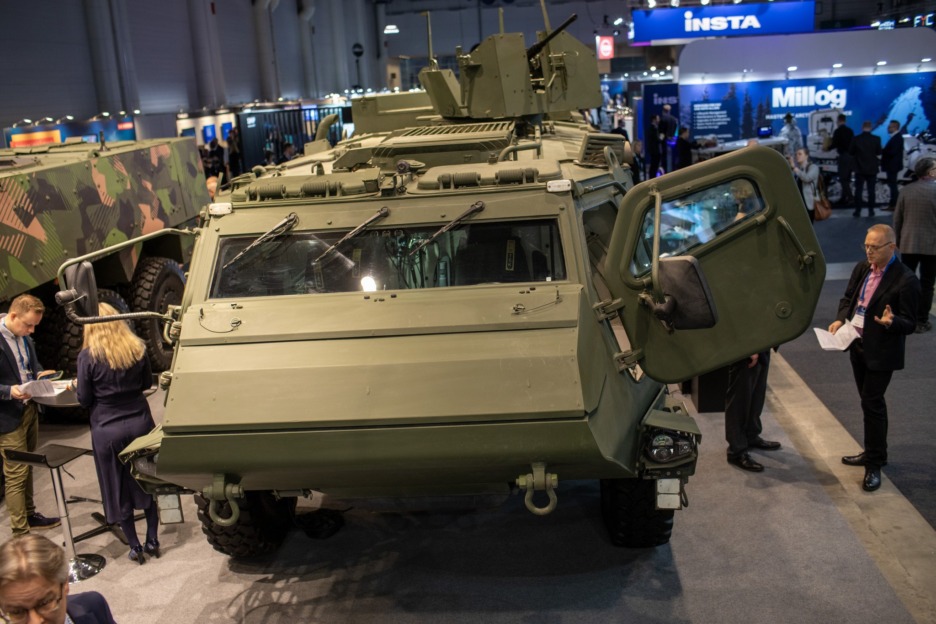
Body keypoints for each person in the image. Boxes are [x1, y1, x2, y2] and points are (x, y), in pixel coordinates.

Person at [828, 224, 920, 492]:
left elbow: (911, 323)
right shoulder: (862, 268)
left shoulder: (906, 280)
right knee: (868, 403)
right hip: (856, 344)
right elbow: (849, 299)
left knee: (872, 403)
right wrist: (840, 318)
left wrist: (892, 322)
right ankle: (874, 452)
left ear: (892, 247)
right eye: (866, 246)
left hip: (882, 351)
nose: (869, 251)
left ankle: (875, 463)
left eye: (874, 247)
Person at [75, 303, 160, 564]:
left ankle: (134, 546)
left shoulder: (87, 357)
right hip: (140, 423)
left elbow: (84, 399)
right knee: (146, 480)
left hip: (107, 428)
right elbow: (147, 383)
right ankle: (153, 539)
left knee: (117, 486)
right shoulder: (137, 348)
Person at [0, 295, 60, 536]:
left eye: (34, 326)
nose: (31, 330)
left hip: (28, 410)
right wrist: (8, 391)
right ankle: (20, 533)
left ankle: (31, 514)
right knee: (16, 473)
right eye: (28, 325)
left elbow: (29, 367)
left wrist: (40, 375)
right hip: (7, 417)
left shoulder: (24, 337)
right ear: (13, 315)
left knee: (29, 465)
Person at [0, 533, 117, 624]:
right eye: (17, 612)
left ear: (65, 584)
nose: (35, 622)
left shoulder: (93, 604)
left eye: (44, 603)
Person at [893, 157, 936, 333]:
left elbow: (897, 219)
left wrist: (897, 240)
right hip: (932, 245)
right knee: (927, 283)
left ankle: (905, 317)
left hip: (908, 243)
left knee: (906, 281)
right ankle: (921, 320)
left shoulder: (906, 191)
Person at [724, 349, 781, 473]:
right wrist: (750, 349)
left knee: (757, 396)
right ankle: (737, 451)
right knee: (739, 400)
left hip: (761, 347)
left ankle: (751, 435)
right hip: (746, 348)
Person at [850, 120, 882, 217]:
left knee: (858, 190)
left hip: (859, 168)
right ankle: (871, 211)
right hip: (872, 169)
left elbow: (851, 152)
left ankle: (857, 211)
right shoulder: (876, 139)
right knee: (871, 190)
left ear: (862, 127)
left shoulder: (856, 139)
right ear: (871, 128)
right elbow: (879, 152)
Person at [790, 147, 821, 223]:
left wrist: (794, 168)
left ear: (806, 156)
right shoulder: (798, 169)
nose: (797, 156)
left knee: (808, 223)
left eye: (800, 154)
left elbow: (807, 178)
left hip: (809, 201)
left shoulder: (813, 167)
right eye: (796, 154)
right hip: (799, 202)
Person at [831, 114, 856, 206]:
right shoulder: (850, 131)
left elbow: (834, 144)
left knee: (843, 179)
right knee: (847, 179)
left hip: (843, 157)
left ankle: (850, 198)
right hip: (851, 157)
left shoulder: (837, 131)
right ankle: (844, 198)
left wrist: (826, 148)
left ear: (838, 121)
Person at [882, 119, 904, 210]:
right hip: (892, 166)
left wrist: (883, 151)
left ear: (895, 127)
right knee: (892, 185)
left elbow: (893, 152)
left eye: (889, 127)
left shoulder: (897, 138)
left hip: (892, 166)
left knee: (893, 185)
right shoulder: (895, 137)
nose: (888, 128)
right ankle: (893, 204)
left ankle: (894, 205)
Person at [659, 104, 678, 172]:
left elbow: (661, 132)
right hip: (672, 141)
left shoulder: (663, 119)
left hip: (665, 142)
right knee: (672, 158)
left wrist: (660, 140)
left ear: (663, 111)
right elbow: (676, 130)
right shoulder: (674, 119)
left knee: (665, 159)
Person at [646, 114, 663, 178]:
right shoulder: (652, 129)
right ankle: (652, 178)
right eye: (658, 119)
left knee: (655, 166)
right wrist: (661, 138)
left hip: (655, 151)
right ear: (654, 120)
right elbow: (656, 139)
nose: (659, 120)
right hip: (655, 151)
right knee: (654, 166)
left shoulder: (655, 128)